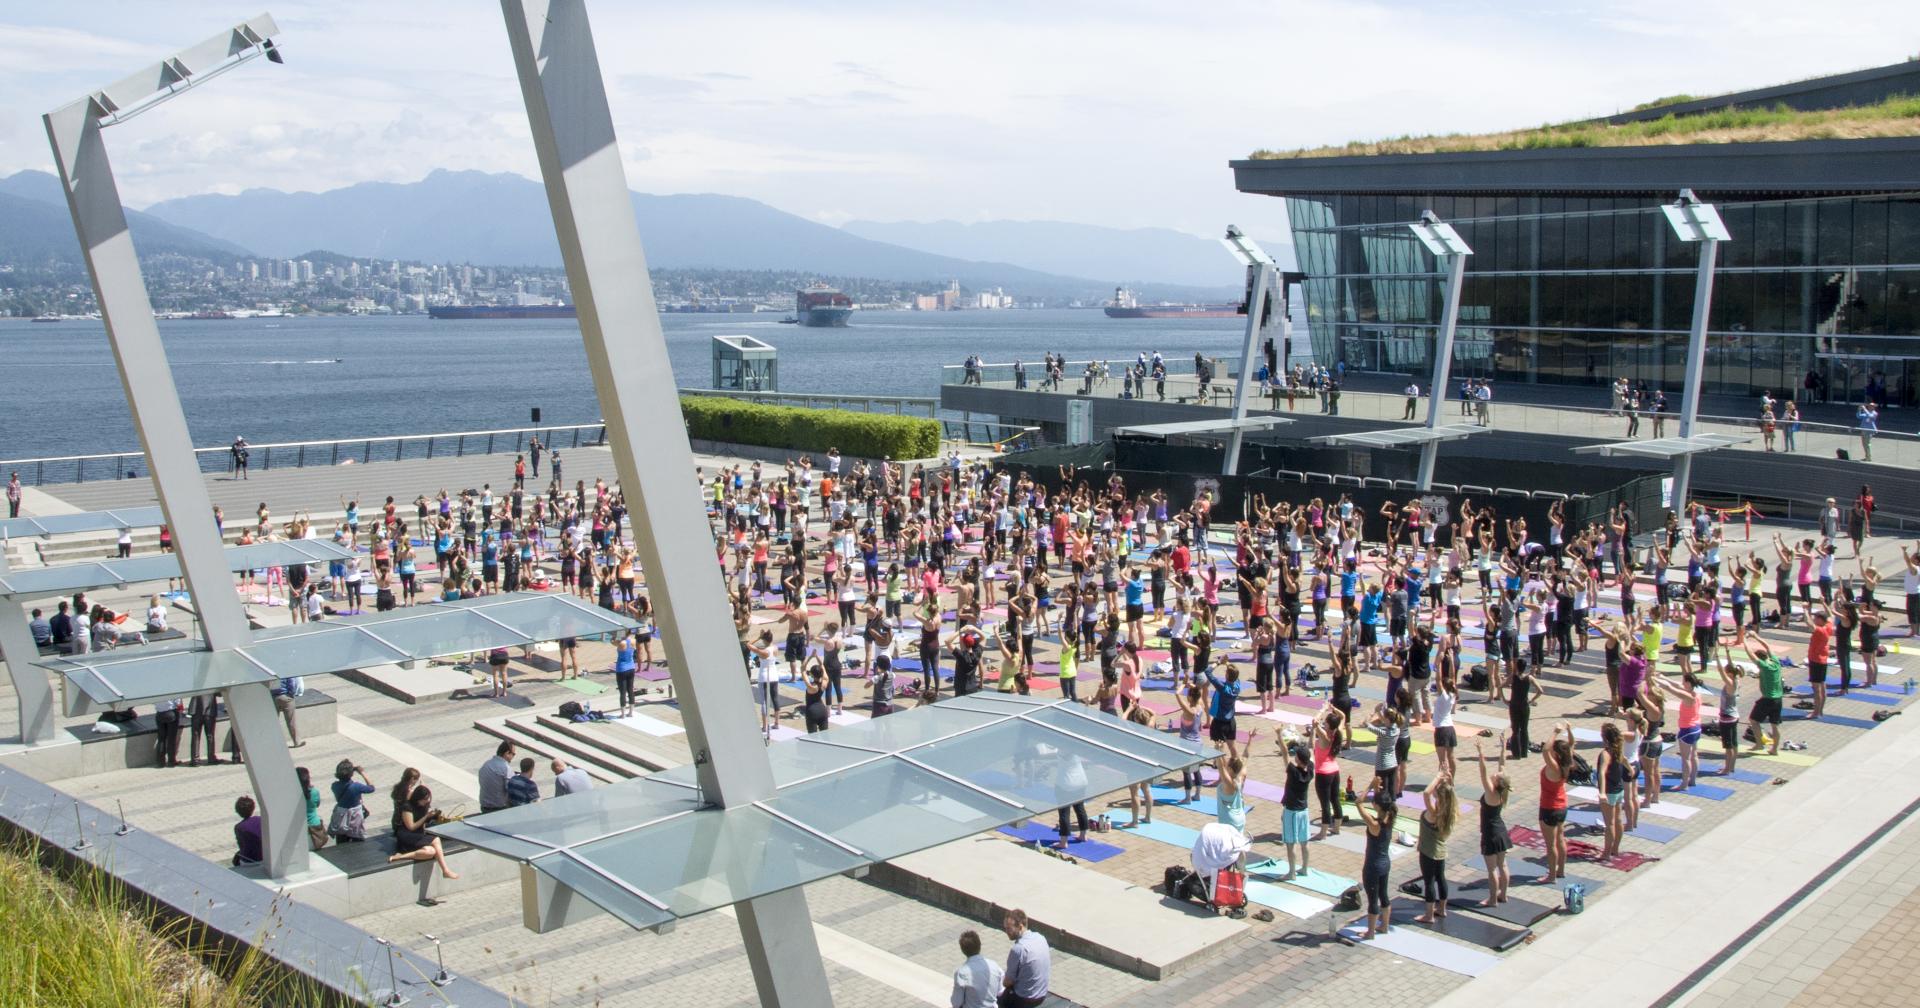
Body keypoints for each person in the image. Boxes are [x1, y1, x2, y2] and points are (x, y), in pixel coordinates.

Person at [387, 785, 460, 884]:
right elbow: (411, 827)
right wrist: (426, 817)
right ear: (418, 798)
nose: (428, 800)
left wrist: (434, 817)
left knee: (430, 852)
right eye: (425, 799)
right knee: (436, 839)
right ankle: (445, 870)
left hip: (418, 835)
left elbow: (423, 825)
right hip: (406, 836)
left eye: (429, 798)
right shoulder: (407, 807)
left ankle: (400, 857)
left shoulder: (424, 806)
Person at [1472, 736, 1513, 906]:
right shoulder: (1502, 792)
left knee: (1491, 869)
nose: (1494, 774)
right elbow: (1502, 765)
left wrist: (1481, 753)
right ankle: (1503, 894)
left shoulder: (1491, 793)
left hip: (1490, 832)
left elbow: (1483, 773)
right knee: (1503, 865)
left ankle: (1493, 899)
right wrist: (1503, 748)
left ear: (1496, 782)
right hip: (1501, 831)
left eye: (1496, 776)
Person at [1353, 787, 1398, 939]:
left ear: (1377, 806)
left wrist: (1370, 786)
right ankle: (1384, 926)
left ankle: (1370, 932)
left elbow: (1358, 802)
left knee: (1373, 900)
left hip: (1373, 866)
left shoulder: (1374, 824)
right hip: (1385, 863)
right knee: (1383, 895)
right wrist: (1378, 790)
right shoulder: (1391, 817)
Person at [1412, 774, 1457, 924]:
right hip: (1441, 852)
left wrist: (1438, 777)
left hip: (1428, 852)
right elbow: (1451, 793)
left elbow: (1425, 793)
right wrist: (1448, 779)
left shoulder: (1434, 813)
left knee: (1429, 882)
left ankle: (1429, 915)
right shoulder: (1450, 813)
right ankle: (1442, 909)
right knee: (1441, 878)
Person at [999, 909, 1051, 1008]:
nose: (1006, 932)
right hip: (1042, 994)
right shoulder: (1041, 938)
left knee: (999, 1000)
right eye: (1005, 928)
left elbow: (1007, 982)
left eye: (1009, 929)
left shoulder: (1018, 949)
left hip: (1025, 999)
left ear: (1020, 927)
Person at [1278, 741, 1314, 879]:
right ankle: (1304, 868)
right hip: (1304, 810)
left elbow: (1285, 753)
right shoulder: (1310, 770)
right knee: (1305, 842)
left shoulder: (1293, 771)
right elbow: (1312, 753)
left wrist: (1279, 735)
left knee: (1290, 843)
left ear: (1298, 759)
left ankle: (1292, 872)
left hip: (1292, 811)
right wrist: (1313, 733)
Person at [951, 930, 1003, 1008]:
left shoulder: (961, 973)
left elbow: (956, 1002)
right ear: (980, 945)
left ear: (963, 950)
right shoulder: (994, 965)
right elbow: (1000, 991)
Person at [328, 760, 377, 842]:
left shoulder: (334, 786)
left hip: (341, 815)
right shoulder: (356, 786)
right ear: (351, 774)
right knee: (357, 839)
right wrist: (362, 773)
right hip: (355, 815)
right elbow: (371, 788)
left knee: (341, 839)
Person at [478, 740, 516, 814]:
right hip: (499, 810)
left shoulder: (486, 764)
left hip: (484, 807)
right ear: (507, 753)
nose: (513, 757)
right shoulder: (506, 769)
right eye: (513, 754)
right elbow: (512, 791)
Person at [296, 766, 328, 851]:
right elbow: (317, 804)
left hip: (300, 830)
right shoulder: (314, 792)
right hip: (315, 828)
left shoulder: (294, 794)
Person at [270, 676, 304, 749]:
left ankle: (274, 744)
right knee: (291, 721)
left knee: (273, 722)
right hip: (286, 697)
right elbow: (292, 683)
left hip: (273, 698)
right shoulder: (284, 671)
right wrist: (291, 694)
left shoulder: (270, 671)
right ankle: (297, 742)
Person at [152, 695, 183, 768]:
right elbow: (178, 702)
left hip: (159, 714)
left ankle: (160, 762)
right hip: (171, 713)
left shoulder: (154, 689)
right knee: (171, 739)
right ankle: (171, 761)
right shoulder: (170, 688)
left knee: (161, 739)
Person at [232, 795, 263, 866]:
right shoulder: (261, 820)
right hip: (265, 856)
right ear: (253, 808)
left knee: (236, 859)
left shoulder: (238, 827)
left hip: (248, 860)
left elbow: (242, 845)